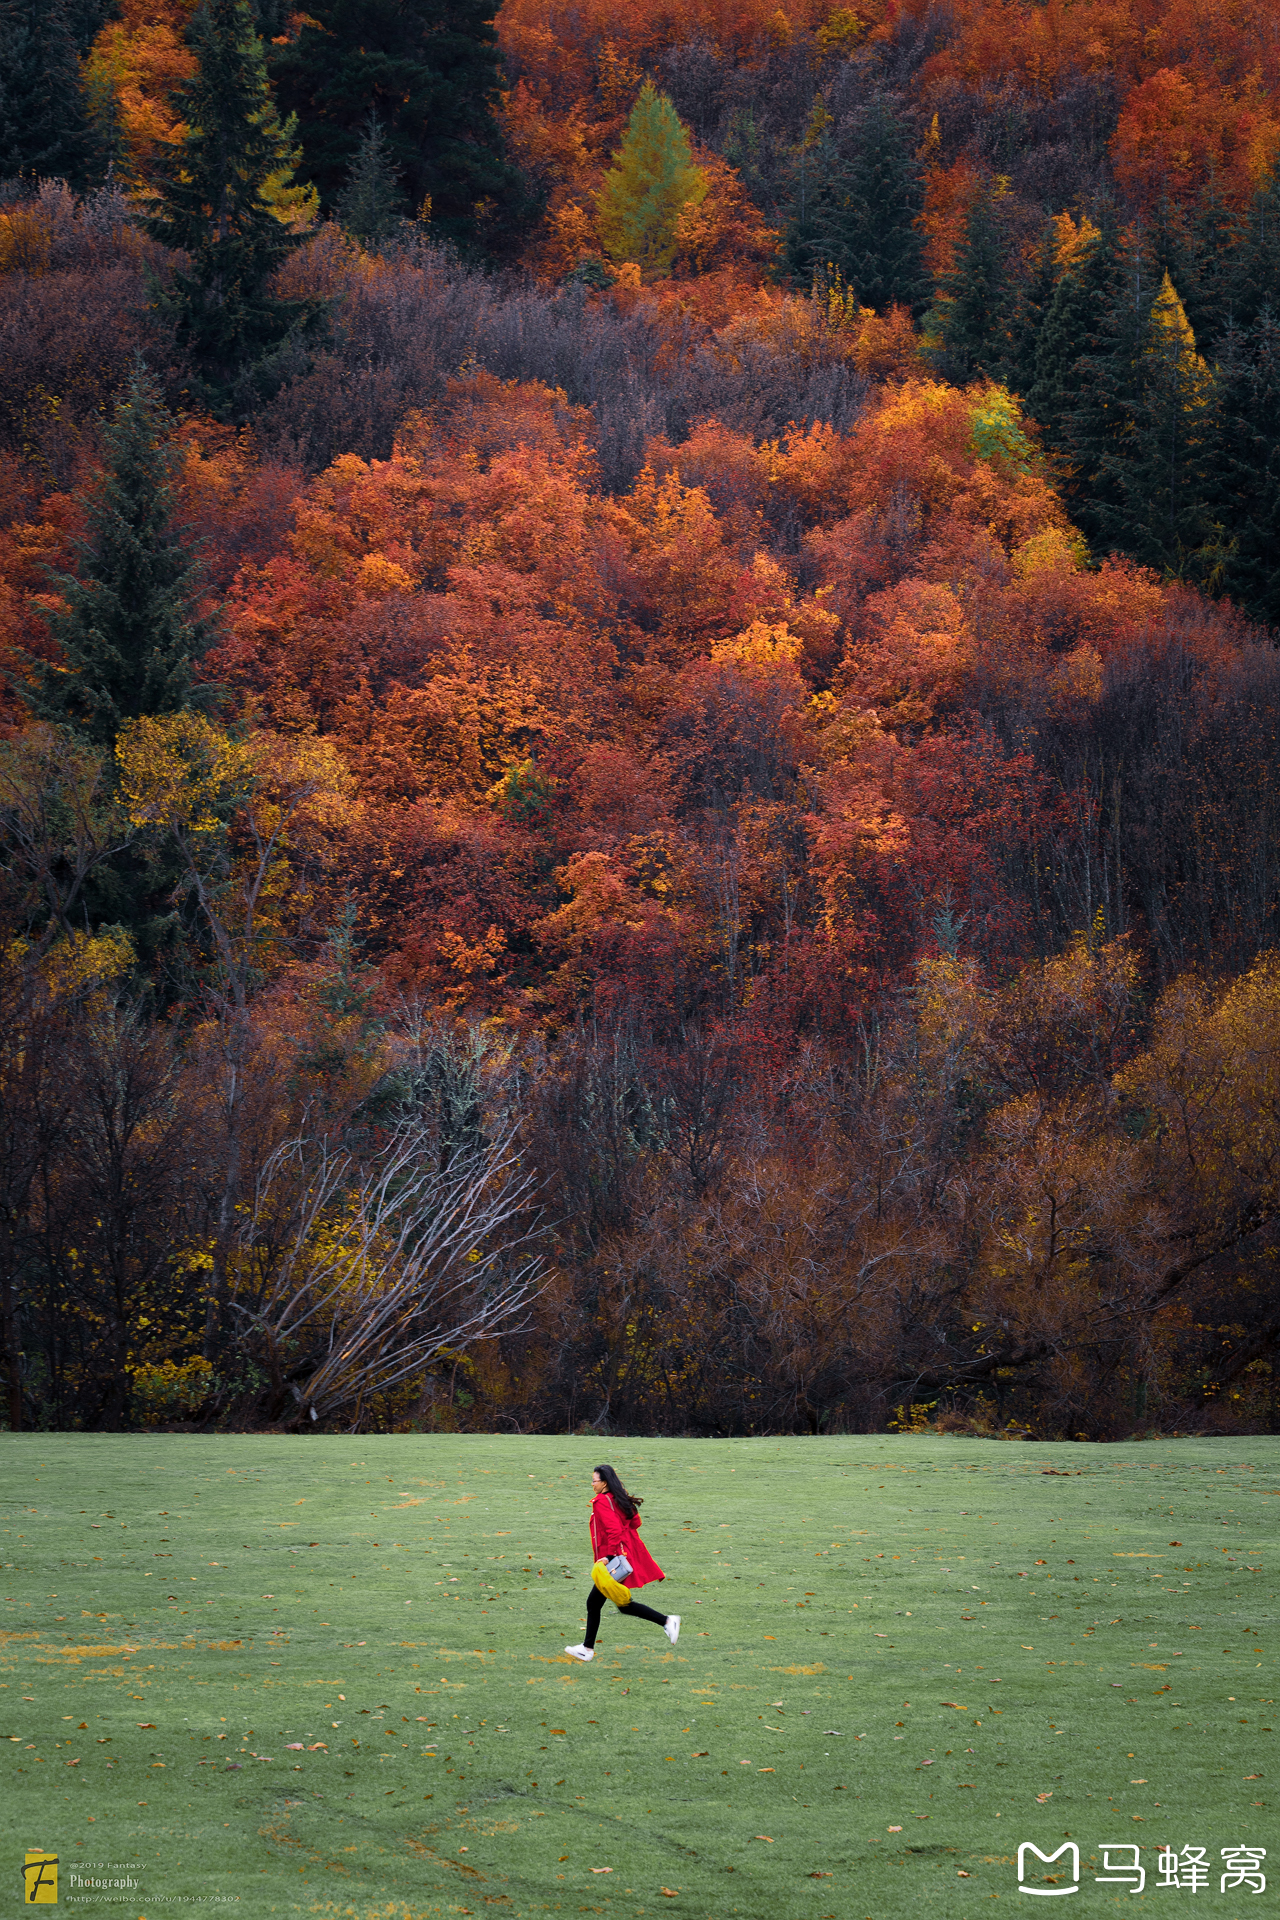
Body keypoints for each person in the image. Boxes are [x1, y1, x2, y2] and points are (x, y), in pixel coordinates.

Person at [565, 1464, 679, 1662]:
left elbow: (613, 1530)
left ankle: (667, 1621)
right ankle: (587, 1648)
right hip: (624, 1553)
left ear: (604, 1483)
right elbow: (636, 1522)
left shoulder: (601, 1501)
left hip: (613, 1560)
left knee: (606, 1603)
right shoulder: (618, 1498)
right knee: (610, 1604)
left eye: (594, 1481)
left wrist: (608, 1557)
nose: (592, 1484)